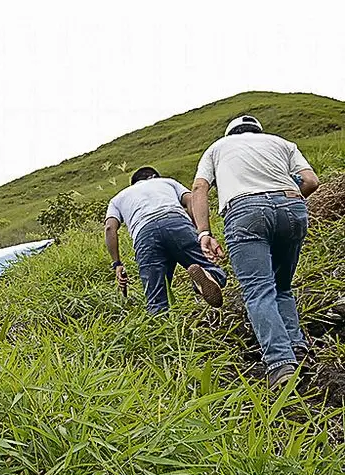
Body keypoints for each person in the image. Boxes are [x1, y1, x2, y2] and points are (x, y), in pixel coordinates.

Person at [190, 115, 321, 388]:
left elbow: (199, 188)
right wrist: (283, 201)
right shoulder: (282, 143)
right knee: (282, 286)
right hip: (291, 206)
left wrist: (204, 232)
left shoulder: (217, 148)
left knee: (259, 291)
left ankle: (281, 363)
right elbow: (310, 181)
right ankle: (298, 349)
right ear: (259, 130)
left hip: (245, 212)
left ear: (230, 133)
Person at [105, 166, 227, 314]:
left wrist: (117, 264)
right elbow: (190, 200)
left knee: (156, 298)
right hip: (177, 225)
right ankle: (207, 276)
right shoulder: (167, 182)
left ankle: (162, 324)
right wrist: (200, 233)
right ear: (155, 177)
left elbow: (110, 228)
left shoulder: (118, 198)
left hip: (145, 236)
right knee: (211, 269)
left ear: (134, 183)